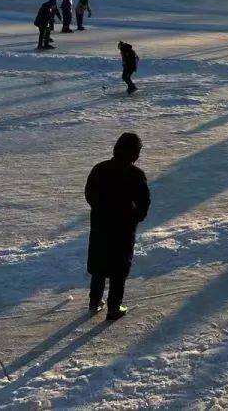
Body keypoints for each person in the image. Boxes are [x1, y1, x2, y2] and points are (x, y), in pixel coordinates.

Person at [84, 132, 150, 320]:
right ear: (135, 154)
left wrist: (100, 209)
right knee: (118, 271)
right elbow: (144, 202)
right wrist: (135, 217)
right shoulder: (136, 175)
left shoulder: (100, 169)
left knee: (99, 266)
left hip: (100, 227)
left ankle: (94, 301)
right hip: (123, 230)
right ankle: (114, 308)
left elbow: (89, 194)